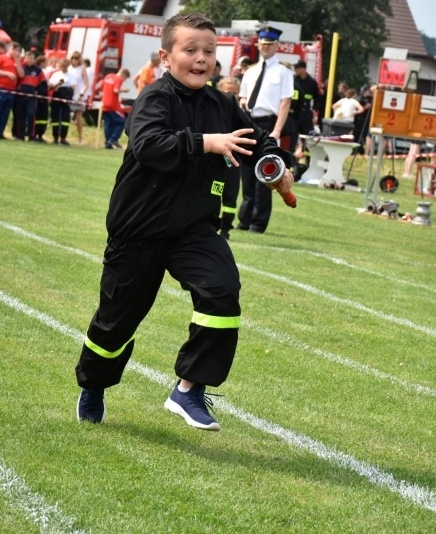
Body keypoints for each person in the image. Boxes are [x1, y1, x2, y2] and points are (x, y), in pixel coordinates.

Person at [74, 12, 294, 430]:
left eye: (209, 51)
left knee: (222, 291)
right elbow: (149, 145)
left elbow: (259, 141)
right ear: (166, 56)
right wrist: (207, 143)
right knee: (115, 323)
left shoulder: (223, 104)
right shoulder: (155, 98)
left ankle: (190, 388)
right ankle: (94, 386)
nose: (201, 59)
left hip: (194, 229)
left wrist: (276, 164)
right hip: (138, 229)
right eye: (190, 50)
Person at [237, 25, 295, 234]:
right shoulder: (251, 71)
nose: (265, 48)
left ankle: (258, 222)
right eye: (262, 44)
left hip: (269, 125)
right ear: (258, 44)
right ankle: (244, 218)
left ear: (276, 46)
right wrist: (242, 104)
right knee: (247, 171)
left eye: (269, 45)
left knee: (265, 174)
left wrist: (277, 130)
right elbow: (243, 96)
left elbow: (285, 102)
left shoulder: (283, 71)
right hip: (250, 121)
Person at [216, 76, 242, 240]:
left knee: (230, 195)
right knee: (212, 193)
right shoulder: (211, 112)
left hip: (233, 161)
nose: (231, 96)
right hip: (214, 161)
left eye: (234, 93)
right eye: (227, 92)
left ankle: (226, 228)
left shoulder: (241, 115)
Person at [0, 41, 24, 139]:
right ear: (10, 49)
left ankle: (0, 132)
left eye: (18, 51)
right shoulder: (1, 58)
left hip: (11, 90)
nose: (17, 53)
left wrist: (17, 62)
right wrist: (7, 74)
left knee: (5, 112)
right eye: (15, 50)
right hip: (0, 88)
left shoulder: (18, 61)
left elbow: (21, 75)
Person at [14, 50, 44, 141]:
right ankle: (20, 135)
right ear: (25, 59)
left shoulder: (38, 71)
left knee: (31, 115)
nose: (29, 60)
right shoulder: (21, 68)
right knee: (21, 115)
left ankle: (31, 135)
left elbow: (43, 84)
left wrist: (38, 92)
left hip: (32, 97)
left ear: (34, 59)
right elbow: (16, 80)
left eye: (31, 58)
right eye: (28, 58)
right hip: (21, 96)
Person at [100, 67, 130, 149]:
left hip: (104, 103)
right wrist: (124, 90)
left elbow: (102, 87)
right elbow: (116, 90)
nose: (123, 81)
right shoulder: (118, 79)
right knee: (122, 122)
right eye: (125, 79)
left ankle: (107, 143)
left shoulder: (108, 76)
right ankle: (113, 139)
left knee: (108, 124)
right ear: (123, 75)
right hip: (113, 105)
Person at [48, 58, 74, 145]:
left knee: (65, 119)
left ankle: (63, 138)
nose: (63, 68)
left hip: (66, 98)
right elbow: (51, 87)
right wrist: (58, 84)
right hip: (56, 96)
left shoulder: (71, 76)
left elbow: (73, 87)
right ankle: (55, 137)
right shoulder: (55, 75)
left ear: (68, 65)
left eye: (65, 66)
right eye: (62, 66)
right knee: (55, 117)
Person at [68, 52, 89, 144]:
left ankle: (80, 138)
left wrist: (81, 93)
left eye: (76, 58)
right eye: (73, 58)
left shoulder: (82, 69)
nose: (74, 60)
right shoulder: (69, 68)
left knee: (78, 117)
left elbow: (86, 83)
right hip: (69, 95)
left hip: (78, 96)